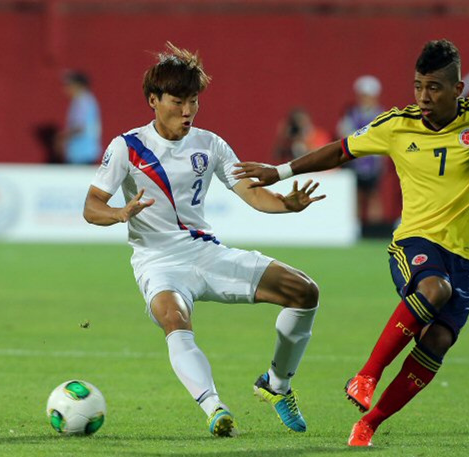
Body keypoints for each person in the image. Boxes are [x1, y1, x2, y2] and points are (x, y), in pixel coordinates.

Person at [233, 39, 469, 447]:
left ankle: (370, 423)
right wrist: (278, 171)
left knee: (438, 341)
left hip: (465, 258)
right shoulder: (396, 124)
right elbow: (340, 151)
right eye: (418, 86)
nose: (424, 97)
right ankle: (366, 375)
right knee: (434, 289)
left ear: (458, 89)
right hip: (413, 244)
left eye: (435, 88)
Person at [83, 42, 325, 437]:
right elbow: (92, 207)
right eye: (178, 101)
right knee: (174, 319)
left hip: (206, 252)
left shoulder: (210, 144)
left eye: (193, 101)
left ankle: (276, 385)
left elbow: (250, 192)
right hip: (158, 262)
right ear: (153, 100)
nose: (188, 111)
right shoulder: (127, 147)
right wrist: (119, 213)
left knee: (306, 292)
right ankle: (215, 409)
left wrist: (285, 204)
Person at [336, 75, 385, 225]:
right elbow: (343, 132)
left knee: (373, 195)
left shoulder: (381, 114)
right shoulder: (351, 113)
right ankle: (355, 227)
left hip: (374, 159)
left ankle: (375, 228)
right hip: (355, 158)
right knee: (355, 195)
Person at [59, 70, 102, 164]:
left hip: (81, 153)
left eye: (69, 84)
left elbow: (79, 127)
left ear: (78, 85)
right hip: (83, 152)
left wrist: (62, 138)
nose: (66, 88)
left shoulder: (82, 101)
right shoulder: (85, 100)